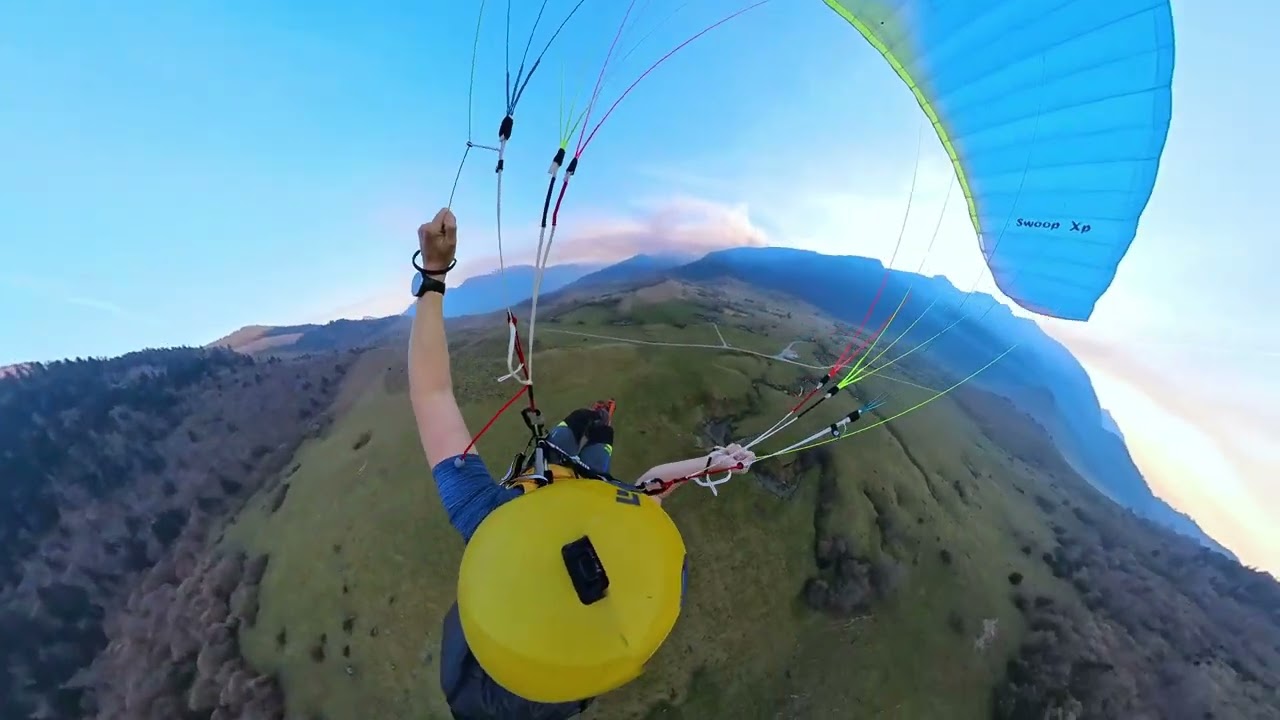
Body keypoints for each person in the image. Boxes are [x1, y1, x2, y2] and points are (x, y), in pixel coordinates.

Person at [407, 207, 755, 720]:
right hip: (585, 478)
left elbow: (432, 395)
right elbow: (649, 490)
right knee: (599, 445)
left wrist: (433, 275)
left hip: (557, 466)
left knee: (573, 432)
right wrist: (707, 462)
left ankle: (592, 417)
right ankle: (602, 419)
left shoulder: (487, 518)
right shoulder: (507, 524)